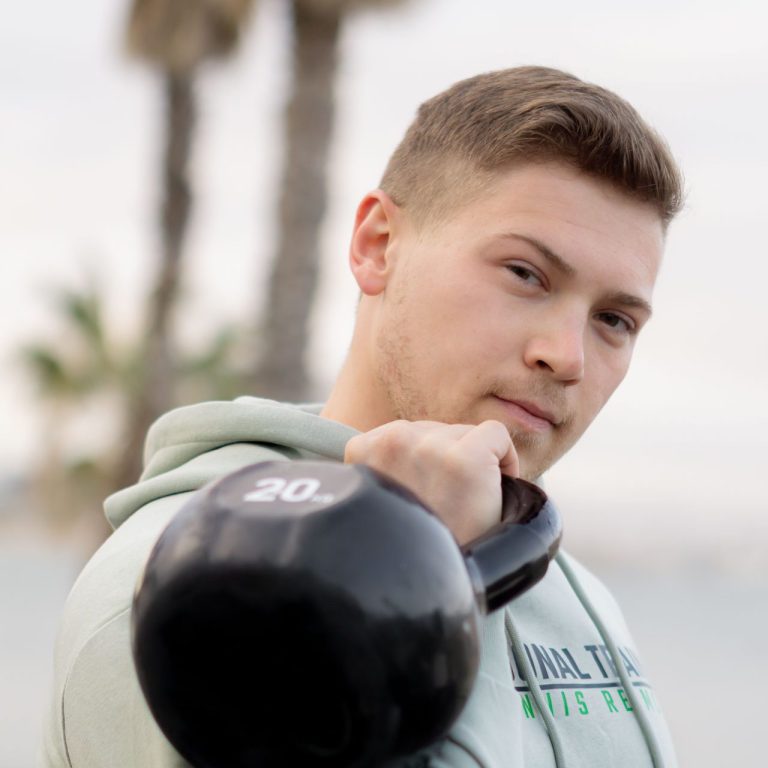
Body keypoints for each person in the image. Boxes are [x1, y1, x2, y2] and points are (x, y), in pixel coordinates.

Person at [43, 66, 683, 767]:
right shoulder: (191, 587)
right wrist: (437, 563)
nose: (567, 357)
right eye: (525, 274)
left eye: (615, 319)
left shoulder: (565, 583)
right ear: (378, 245)